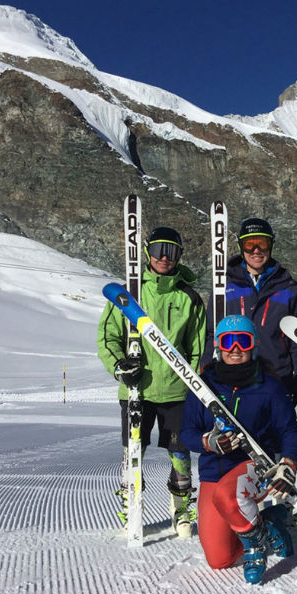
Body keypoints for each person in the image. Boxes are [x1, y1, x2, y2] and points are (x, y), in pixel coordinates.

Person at [97, 226, 207, 538]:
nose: (163, 257)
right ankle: (130, 508)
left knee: (180, 454)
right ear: (146, 252)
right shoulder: (128, 295)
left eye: (170, 251)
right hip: (137, 390)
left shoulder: (189, 298)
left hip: (176, 391)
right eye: (158, 249)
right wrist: (120, 367)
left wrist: (195, 382)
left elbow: (198, 347)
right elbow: (108, 336)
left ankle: (181, 508)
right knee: (133, 452)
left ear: (179, 256)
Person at [180, 315, 297, 584]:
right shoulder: (203, 387)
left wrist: (288, 463)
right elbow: (185, 432)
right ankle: (269, 522)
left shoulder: (269, 386)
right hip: (214, 471)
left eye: (243, 342)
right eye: (228, 341)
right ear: (219, 348)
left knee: (228, 495)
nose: (235, 349)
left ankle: (256, 544)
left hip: (255, 468)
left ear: (254, 346)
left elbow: (289, 430)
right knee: (219, 559)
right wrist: (207, 443)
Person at [204, 217, 297, 421]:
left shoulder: (288, 288)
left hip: (278, 379)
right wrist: (206, 368)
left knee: (275, 443)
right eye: (249, 244)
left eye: (262, 244)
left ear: (271, 245)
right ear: (241, 247)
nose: (256, 250)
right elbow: (212, 332)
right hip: (234, 378)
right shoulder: (224, 286)